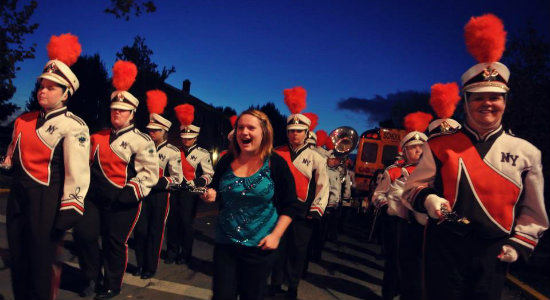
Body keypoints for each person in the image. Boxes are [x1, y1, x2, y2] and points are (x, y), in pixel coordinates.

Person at [403, 14, 548, 300]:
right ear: (467, 103)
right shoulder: (439, 145)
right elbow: (411, 190)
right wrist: (429, 199)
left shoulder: (527, 152)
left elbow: (534, 211)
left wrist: (518, 244)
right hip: (444, 247)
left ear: (505, 101)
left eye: (495, 97)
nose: (487, 104)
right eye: (479, 97)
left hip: (493, 253)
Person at [0, 33, 90, 300]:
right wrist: (5, 164)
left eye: (52, 87)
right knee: (19, 261)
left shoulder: (74, 125)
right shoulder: (23, 120)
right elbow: (11, 157)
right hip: (18, 197)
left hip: (47, 201)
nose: (43, 90)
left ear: (65, 94)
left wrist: (70, 207)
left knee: (41, 267)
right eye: (42, 85)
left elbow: (78, 173)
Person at [73, 61, 159, 300]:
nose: (116, 113)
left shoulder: (141, 141)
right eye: (114, 109)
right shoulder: (95, 136)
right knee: (84, 235)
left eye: (122, 110)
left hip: (123, 201)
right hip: (93, 199)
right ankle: (91, 276)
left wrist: (130, 193)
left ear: (132, 113)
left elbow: (150, 174)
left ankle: (112, 284)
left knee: (114, 242)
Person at [200, 109, 300, 300]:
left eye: (251, 128)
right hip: (226, 243)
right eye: (240, 127)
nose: (244, 132)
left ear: (264, 132)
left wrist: (276, 236)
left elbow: (290, 205)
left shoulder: (275, 163)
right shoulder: (226, 161)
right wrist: (210, 195)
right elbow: (215, 188)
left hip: (260, 247)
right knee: (222, 296)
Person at [270, 86, 329, 300]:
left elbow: (323, 186)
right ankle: (275, 283)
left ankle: (292, 287)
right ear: (287, 132)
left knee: (297, 250)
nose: (295, 134)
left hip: (303, 211)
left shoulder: (316, 157)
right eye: (291, 131)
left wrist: (316, 209)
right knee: (277, 247)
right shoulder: (276, 153)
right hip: (277, 209)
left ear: (306, 133)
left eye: (299, 131)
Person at [372, 112, 430, 300]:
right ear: (404, 151)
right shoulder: (394, 171)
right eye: (413, 148)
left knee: (418, 265)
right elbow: (378, 194)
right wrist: (387, 206)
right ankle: (388, 293)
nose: (418, 151)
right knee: (394, 262)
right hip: (398, 223)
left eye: (421, 148)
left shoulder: (432, 172)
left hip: (422, 225)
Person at [133, 90, 183, 279]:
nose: (151, 133)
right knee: (140, 230)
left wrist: (157, 182)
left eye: (155, 130)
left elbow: (177, 178)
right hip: (141, 192)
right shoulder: (141, 146)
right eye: (150, 130)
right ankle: (139, 264)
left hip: (160, 195)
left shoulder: (172, 151)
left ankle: (149, 267)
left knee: (155, 231)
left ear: (165, 132)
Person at [165, 104, 214, 266]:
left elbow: (208, 174)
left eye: (189, 137)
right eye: (184, 137)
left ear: (196, 137)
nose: (186, 140)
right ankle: (171, 252)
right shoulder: (174, 150)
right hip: (174, 191)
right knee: (172, 223)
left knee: (186, 224)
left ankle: (185, 254)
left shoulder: (202, 153)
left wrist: (195, 182)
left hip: (190, 192)